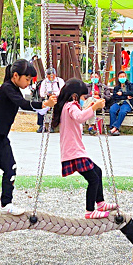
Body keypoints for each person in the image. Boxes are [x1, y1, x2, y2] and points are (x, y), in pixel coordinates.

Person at [0, 58, 56, 216]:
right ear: (15, 75)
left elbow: (23, 102)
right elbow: (23, 104)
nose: (28, 83)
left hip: (1, 136)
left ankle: (6, 203)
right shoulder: (7, 88)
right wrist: (44, 104)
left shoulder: (14, 89)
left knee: (10, 167)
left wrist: (45, 105)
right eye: (27, 79)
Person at [53, 79, 119, 218]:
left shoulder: (67, 105)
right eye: (84, 97)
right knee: (93, 179)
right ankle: (90, 211)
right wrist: (94, 107)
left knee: (97, 171)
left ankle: (100, 203)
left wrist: (92, 106)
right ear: (75, 96)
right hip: (74, 151)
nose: (84, 100)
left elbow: (80, 115)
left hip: (75, 150)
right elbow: (80, 117)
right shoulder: (71, 106)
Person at [106, 71, 133, 135]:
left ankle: (114, 128)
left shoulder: (130, 85)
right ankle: (115, 130)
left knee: (122, 111)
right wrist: (126, 96)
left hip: (127, 103)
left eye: (123, 76)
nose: (122, 78)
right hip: (118, 102)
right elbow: (115, 96)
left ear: (126, 77)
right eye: (121, 77)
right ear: (118, 78)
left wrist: (122, 94)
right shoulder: (117, 87)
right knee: (112, 110)